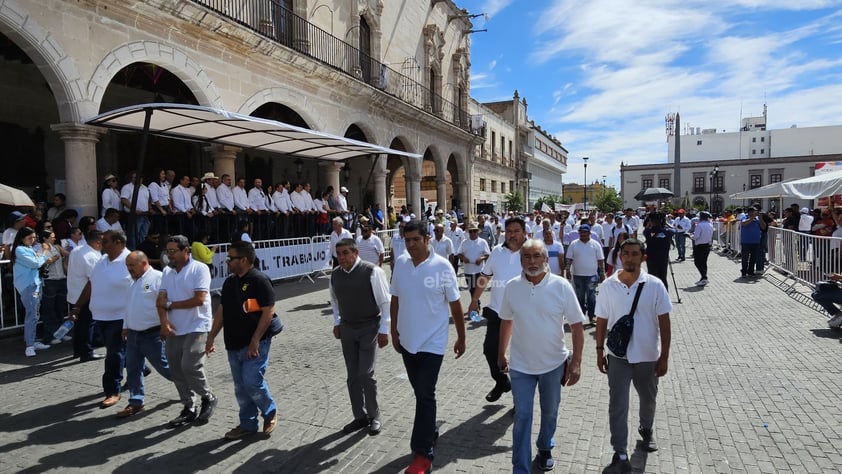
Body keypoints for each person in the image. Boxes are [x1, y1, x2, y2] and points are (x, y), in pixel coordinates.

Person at [498, 238, 585, 473]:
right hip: (520, 366)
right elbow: (506, 321)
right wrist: (501, 354)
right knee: (522, 416)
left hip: (553, 364)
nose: (532, 261)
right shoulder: (512, 287)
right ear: (520, 260)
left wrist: (575, 362)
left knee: (550, 412)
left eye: (537, 256)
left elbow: (577, 325)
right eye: (527, 256)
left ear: (546, 259)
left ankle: (545, 446)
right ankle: (521, 468)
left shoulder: (561, 286)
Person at [390, 219, 466, 474]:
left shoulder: (443, 267)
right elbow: (395, 298)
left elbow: (455, 305)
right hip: (407, 342)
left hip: (433, 343)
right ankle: (430, 429)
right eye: (407, 239)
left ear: (427, 239)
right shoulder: (400, 264)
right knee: (421, 394)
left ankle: (423, 454)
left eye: (416, 240)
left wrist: (462, 337)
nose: (411, 245)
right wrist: (393, 331)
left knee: (425, 394)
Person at [595, 238, 672, 474]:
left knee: (648, 399)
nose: (629, 258)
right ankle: (620, 453)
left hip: (647, 355)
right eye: (625, 253)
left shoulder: (655, 285)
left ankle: (646, 430)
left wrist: (664, 356)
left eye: (635, 254)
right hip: (618, 356)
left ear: (643, 257)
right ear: (619, 256)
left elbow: (664, 322)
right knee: (617, 404)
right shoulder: (608, 286)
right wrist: (599, 350)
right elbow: (601, 320)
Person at [206, 241, 279, 439]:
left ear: (244, 260)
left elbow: (268, 311)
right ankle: (247, 424)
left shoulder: (259, 280)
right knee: (240, 387)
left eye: (231, 258)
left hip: (256, 343)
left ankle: (269, 410)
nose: (227, 261)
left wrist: (255, 339)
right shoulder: (230, 283)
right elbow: (222, 310)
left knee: (252, 382)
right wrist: (211, 336)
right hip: (233, 343)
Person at [330, 238, 391, 436]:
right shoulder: (335, 275)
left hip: (369, 327)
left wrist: (384, 330)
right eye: (339, 254)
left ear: (355, 253)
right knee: (352, 376)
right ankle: (359, 417)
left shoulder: (372, 272)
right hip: (347, 328)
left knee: (366, 373)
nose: (342, 257)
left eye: (346, 253)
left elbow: (385, 302)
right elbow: (335, 302)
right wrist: (337, 323)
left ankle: (374, 416)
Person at [157, 234, 218, 428]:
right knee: (175, 367)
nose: (170, 255)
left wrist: (170, 305)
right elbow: (160, 301)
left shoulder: (199, 269)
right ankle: (188, 406)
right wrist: (164, 321)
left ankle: (207, 396)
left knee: (190, 365)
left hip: (197, 325)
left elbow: (199, 299)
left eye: (173, 251)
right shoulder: (167, 272)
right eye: (168, 251)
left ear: (186, 251)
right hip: (175, 327)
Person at [469, 217, 528, 403]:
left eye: (516, 230)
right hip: (497, 311)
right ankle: (501, 382)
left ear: (524, 233)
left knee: (521, 359)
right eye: (509, 230)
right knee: (490, 350)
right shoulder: (497, 252)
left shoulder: (532, 252)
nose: (512, 234)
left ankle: (520, 401)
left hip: (523, 315)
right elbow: (485, 276)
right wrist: (474, 299)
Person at [118, 251, 172, 418]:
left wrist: (165, 325)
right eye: (127, 266)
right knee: (133, 368)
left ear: (143, 263)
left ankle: (188, 384)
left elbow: (166, 304)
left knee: (164, 367)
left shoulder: (158, 278)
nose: (129, 269)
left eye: (131, 265)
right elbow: (129, 306)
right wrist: (126, 326)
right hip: (134, 335)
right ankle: (136, 402)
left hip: (152, 334)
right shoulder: (131, 282)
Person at [89, 229, 132, 408]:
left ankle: (112, 391)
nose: (101, 244)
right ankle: (140, 368)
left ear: (118, 243)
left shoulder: (131, 260)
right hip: (100, 316)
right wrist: (77, 306)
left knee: (113, 354)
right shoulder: (101, 261)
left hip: (120, 317)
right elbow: (91, 283)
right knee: (120, 351)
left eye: (105, 241)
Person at [12, 227, 56, 357]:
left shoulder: (29, 248)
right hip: (28, 285)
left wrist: (41, 257)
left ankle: (33, 341)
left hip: (36, 283)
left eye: (34, 238)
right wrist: (43, 254)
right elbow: (36, 263)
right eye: (29, 238)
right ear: (21, 238)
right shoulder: (20, 249)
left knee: (35, 315)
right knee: (31, 315)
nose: (32, 240)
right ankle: (29, 346)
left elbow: (38, 262)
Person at [67, 230, 105, 362]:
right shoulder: (91, 256)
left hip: (74, 293)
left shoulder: (77, 250)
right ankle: (86, 352)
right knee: (87, 324)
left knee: (79, 324)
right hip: (85, 295)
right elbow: (93, 280)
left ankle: (78, 350)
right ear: (98, 242)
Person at [565, 224, 606, 325]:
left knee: (591, 296)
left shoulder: (595, 244)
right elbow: (569, 259)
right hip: (578, 275)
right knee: (580, 296)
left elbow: (600, 260)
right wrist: (567, 271)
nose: (582, 234)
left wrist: (602, 273)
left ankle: (592, 316)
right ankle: (581, 316)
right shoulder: (574, 244)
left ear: (589, 233)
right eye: (581, 232)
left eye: (584, 232)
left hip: (592, 275)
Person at [457, 222, 490, 311]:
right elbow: (459, 253)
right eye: (471, 231)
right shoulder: (464, 242)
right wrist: (463, 258)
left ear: (477, 232)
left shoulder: (482, 242)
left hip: (479, 270)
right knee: (471, 289)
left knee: (476, 289)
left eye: (474, 231)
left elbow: (487, 254)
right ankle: (476, 304)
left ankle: (475, 305)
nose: (472, 233)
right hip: (468, 270)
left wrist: (481, 258)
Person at [642, 213, 673, 289]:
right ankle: (664, 295)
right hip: (663, 258)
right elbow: (673, 230)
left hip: (651, 259)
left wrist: (649, 224)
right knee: (663, 278)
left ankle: (653, 297)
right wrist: (665, 224)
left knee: (652, 278)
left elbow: (645, 230)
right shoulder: (667, 232)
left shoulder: (648, 232)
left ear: (651, 222)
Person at [740, 207, 766, 278]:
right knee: (745, 257)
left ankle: (750, 271)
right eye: (753, 212)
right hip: (746, 241)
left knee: (753, 258)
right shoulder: (744, 217)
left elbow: (763, 227)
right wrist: (752, 218)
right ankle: (744, 271)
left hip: (756, 241)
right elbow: (744, 224)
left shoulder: (757, 219)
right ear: (749, 212)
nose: (755, 213)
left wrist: (760, 219)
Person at [691, 211, 714, 286]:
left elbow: (696, 236)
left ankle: (704, 277)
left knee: (697, 262)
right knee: (704, 262)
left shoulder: (699, 225)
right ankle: (703, 277)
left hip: (700, 246)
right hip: (707, 245)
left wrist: (690, 236)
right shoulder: (710, 225)